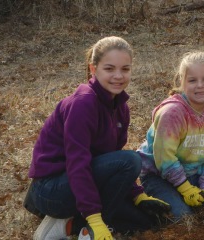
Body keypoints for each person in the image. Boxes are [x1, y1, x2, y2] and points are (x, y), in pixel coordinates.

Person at [23, 36, 171, 240]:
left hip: (83, 183)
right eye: (109, 69)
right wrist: (94, 218)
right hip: (51, 190)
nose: (118, 76)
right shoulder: (83, 104)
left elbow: (111, 160)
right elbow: (78, 163)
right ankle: (76, 227)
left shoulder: (120, 107)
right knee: (131, 160)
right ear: (93, 69)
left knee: (146, 221)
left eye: (125, 69)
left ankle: (71, 222)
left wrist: (137, 195)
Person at [137, 51, 204, 221]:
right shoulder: (172, 113)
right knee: (182, 219)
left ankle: (188, 199)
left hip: (193, 172)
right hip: (159, 175)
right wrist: (186, 189)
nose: (200, 85)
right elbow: (164, 158)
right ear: (182, 82)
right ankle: (146, 202)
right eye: (192, 80)